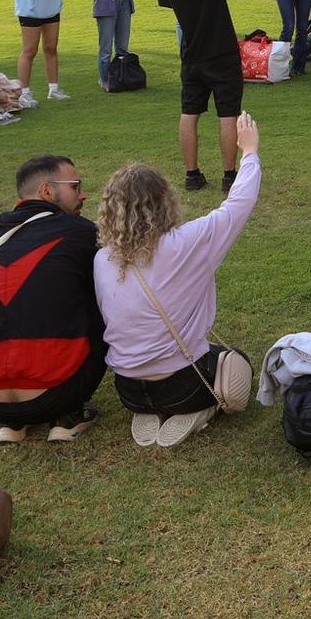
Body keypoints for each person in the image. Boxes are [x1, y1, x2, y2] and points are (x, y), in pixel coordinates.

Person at [95, 113, 262, 448]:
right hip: (185, 386)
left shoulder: (103, 258)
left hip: (128, 388)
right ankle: (197, 409)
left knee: (190, 357)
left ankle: (152, 406)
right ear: (164, 201)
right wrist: (250, 152)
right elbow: (238, 204)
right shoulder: (186, 242)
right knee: (237, 361)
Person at [0, 155, 109, 443]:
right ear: (46, 191)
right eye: (76, 186)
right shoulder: (81, 232)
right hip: (57, 393)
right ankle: (70, 415)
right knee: (102, 299)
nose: (83, 194)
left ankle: (12, 422)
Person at [163, 0, 246, 193]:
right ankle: (229, 175)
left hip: (191, 53)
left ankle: (192, 174)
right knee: (228, 114)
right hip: (220, 52)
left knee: (190, 112)